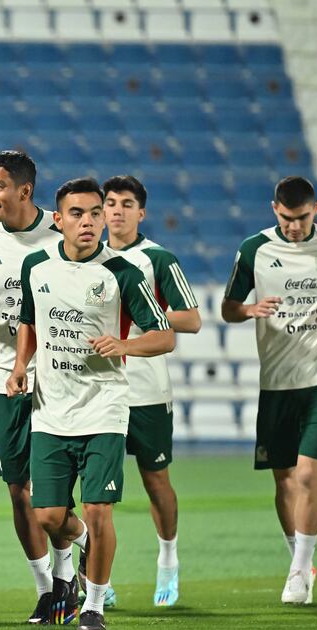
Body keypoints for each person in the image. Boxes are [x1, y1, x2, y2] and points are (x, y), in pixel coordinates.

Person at [7, 177, 175, 630]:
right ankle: (83, 541)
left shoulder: (123, 273)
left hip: (104, 409)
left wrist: (125, 345)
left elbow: (165, 335)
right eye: (77, 214)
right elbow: (29, 321)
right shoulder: (36, 267)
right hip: (50, 409)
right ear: (57, 220)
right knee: (47, 516)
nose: (88, 222)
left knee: (100, 510)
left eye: (95, 213)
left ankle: (95, 606)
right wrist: (21, 365)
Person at [0, 150, 85, 624]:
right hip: (1, 374)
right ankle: (49, 587)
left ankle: (69, 574)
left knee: (53, 492)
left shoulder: (61, 230)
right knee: (16, 490)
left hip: (59, 375)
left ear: (25, 191)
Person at [222, 176, 317, 605]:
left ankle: (301, 571)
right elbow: (229, 308)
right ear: (274, 210)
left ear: (316, 209)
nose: (294, 227)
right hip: (277, 382)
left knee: (307, 473)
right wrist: (250, 309)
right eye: (286, 218)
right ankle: (298, 559)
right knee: (283, 479)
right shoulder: (254, 249)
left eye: (302, 218)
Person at [102, 175, 201, 607]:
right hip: (98, 392)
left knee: (155, 480)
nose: (117, 210)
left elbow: (192, 319)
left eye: (127, 203)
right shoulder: (83, 256)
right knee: (93, 492)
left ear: (141, 213)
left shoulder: (158, 259)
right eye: (110, 203)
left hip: (147, 392)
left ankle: (167, 561)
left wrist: (149, 314)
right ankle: (97, 582)